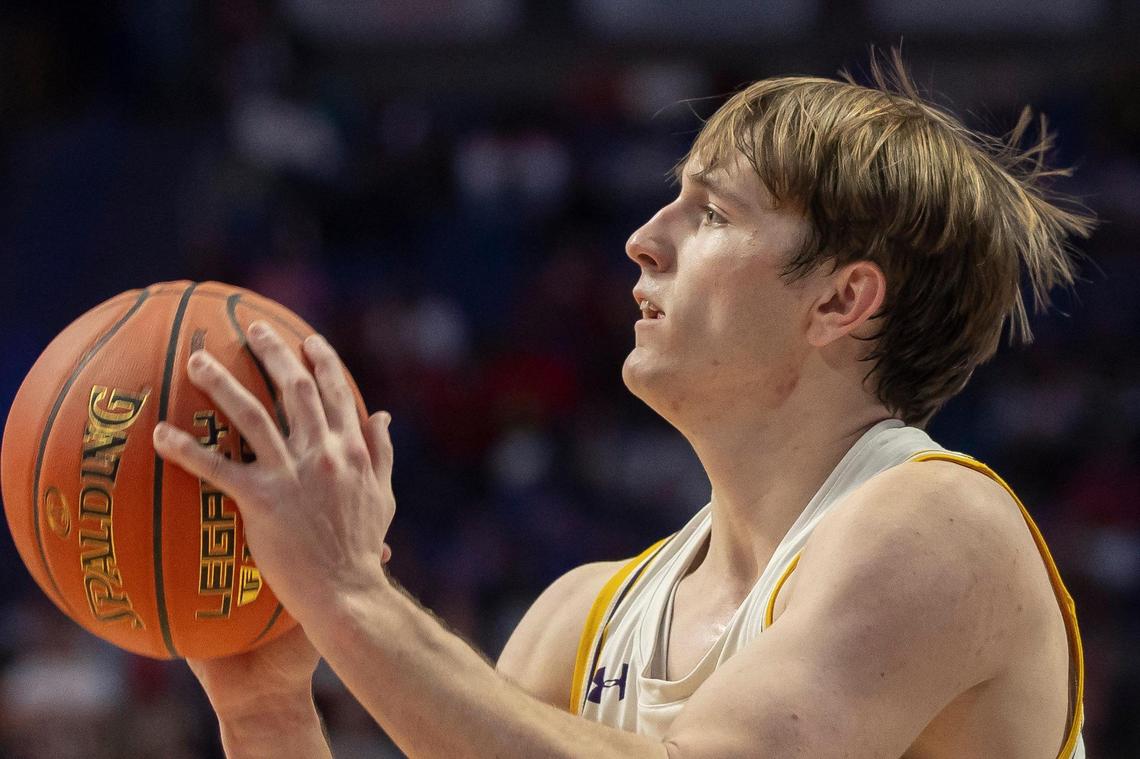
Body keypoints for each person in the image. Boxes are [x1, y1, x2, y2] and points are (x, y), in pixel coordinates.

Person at [153, 52, 1095, 758]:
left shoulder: (944, 527)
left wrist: (349, 591)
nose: (644, 240)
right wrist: (266, 708)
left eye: (713, 212)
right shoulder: (581, 618)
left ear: (841, 300)